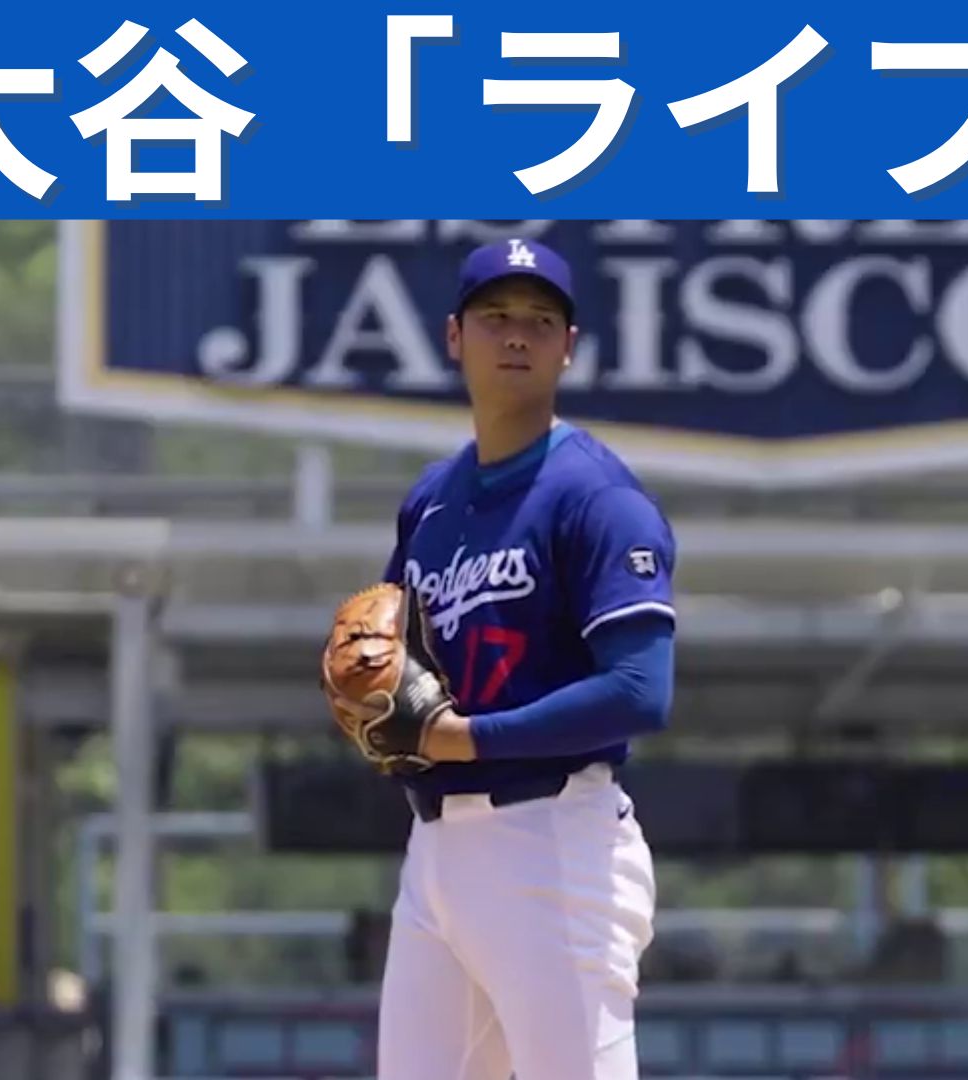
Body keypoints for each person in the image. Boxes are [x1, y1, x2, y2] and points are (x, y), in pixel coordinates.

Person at [371, 236, 677, 1079]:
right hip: (435, 854)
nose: (517, 336)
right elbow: (396, 662)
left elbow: (639, 690)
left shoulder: (596, 496)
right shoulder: (432, 502)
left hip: (554, 844)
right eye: (496, 316)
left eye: (540, 321)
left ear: (567, 348)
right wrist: (377, 711)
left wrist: (466, 739)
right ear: (453, 337)